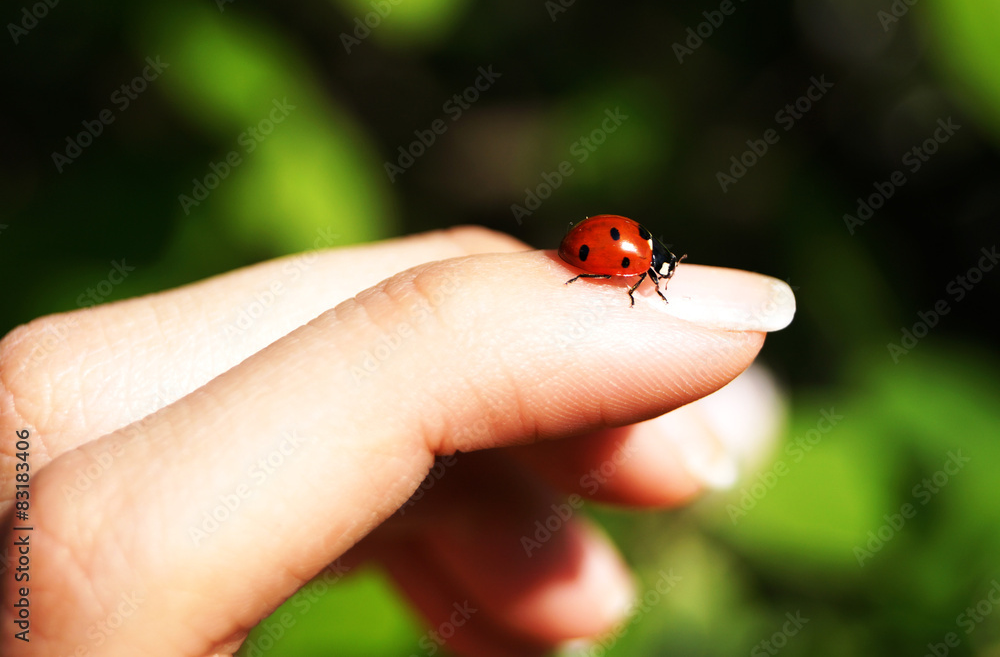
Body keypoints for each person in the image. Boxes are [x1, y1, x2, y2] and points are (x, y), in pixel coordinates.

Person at [0, 226, 794, 656]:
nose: (654, 272)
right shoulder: (631, 259)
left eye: (652, 269)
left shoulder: (627, 251)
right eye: (656, 268)